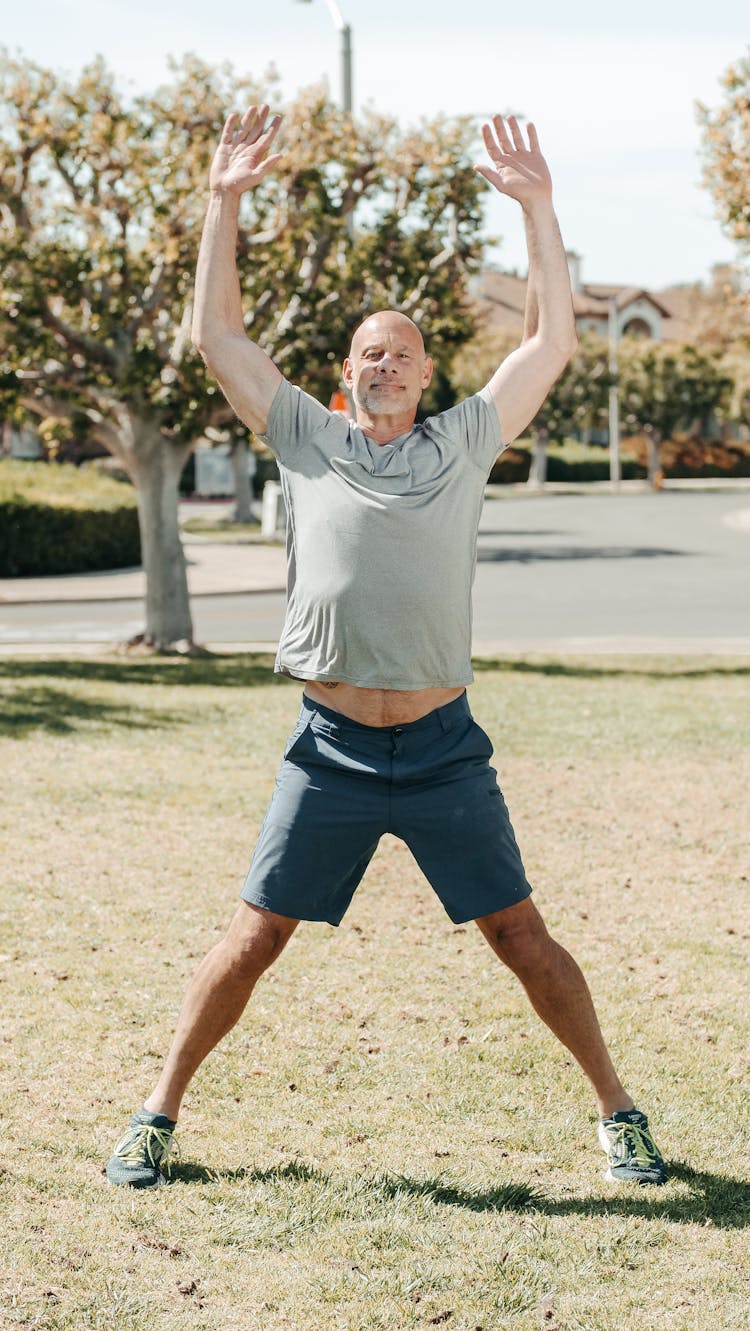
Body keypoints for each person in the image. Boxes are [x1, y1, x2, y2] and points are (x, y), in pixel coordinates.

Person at [106, 105, 666, 1190]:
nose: (388, 364)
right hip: (331, 748)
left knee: (521, 936)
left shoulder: (463, 442)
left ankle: (620, 1110)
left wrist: (539, 209)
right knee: (253, 935)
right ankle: (156, 1112)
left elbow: (550, 342)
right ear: (346, 373)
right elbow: (217, 339)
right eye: (370, 352)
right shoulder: (306, 437)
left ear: (425, 373)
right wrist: (224, 200)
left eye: (404, 353)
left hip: (444, 746)